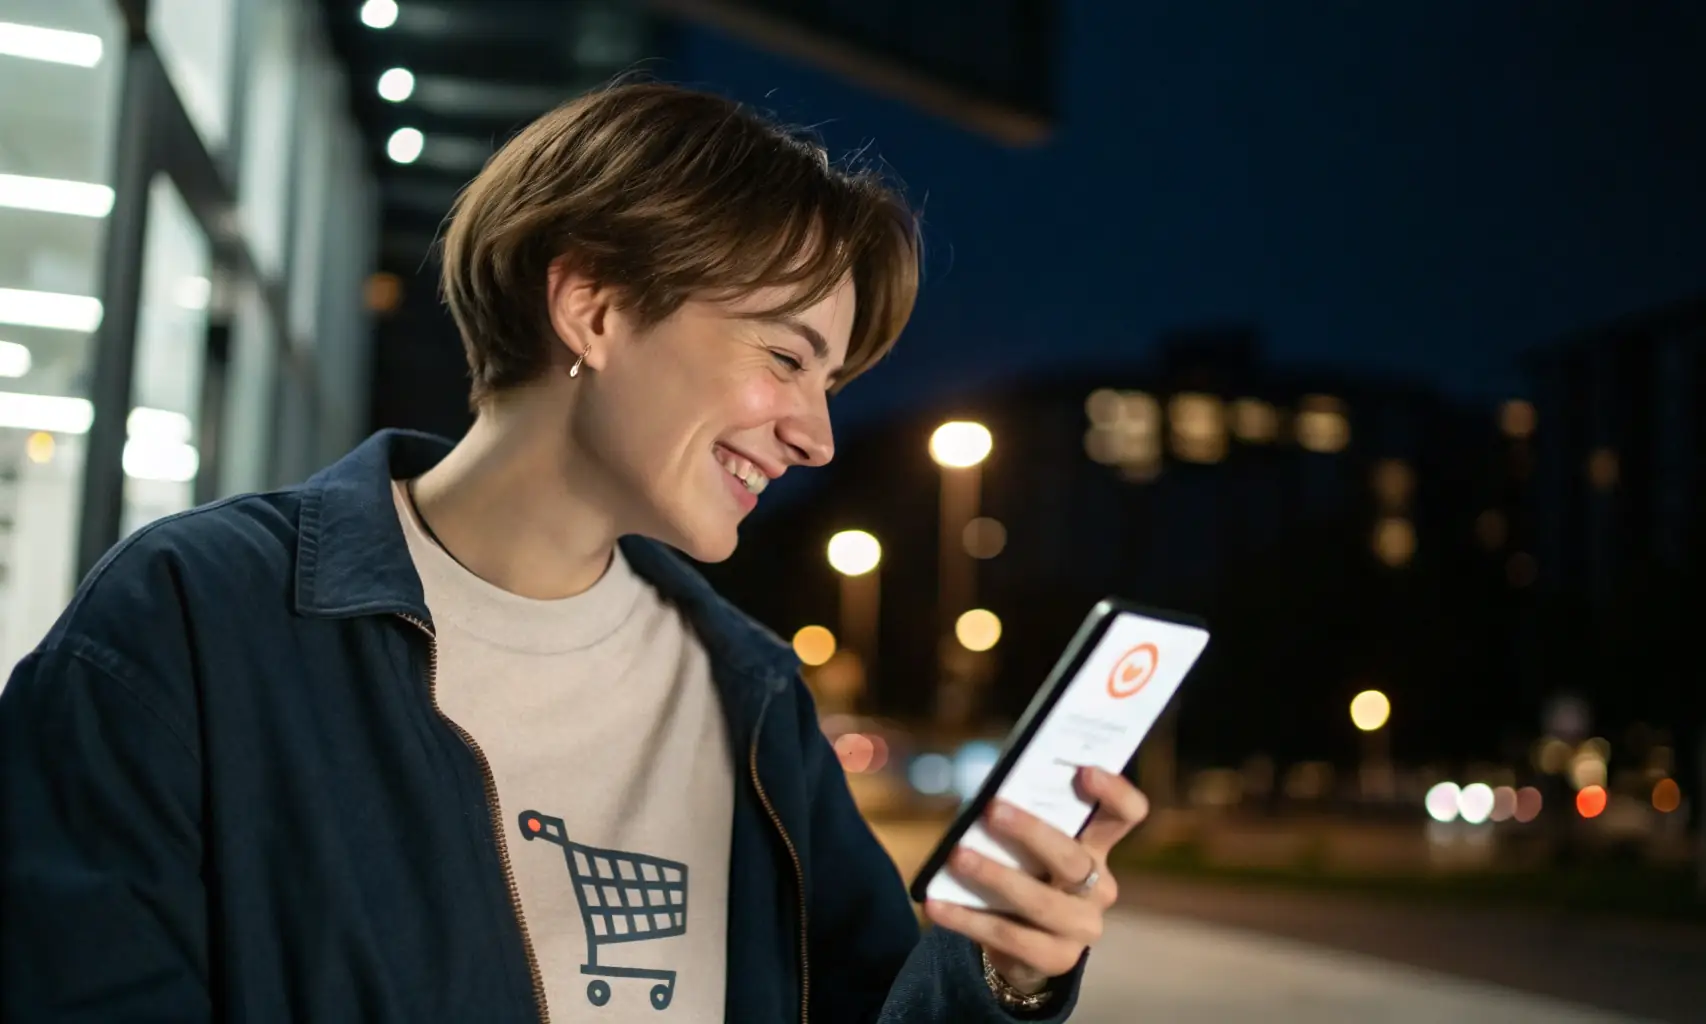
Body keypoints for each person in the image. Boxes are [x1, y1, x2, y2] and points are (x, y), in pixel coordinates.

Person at [0, 79, 1151, 1023]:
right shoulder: (194, 617)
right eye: (786, 359)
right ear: (593, 308)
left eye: (832, 382)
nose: (814, 434)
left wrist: (1004, 968)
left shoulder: (747, 689)